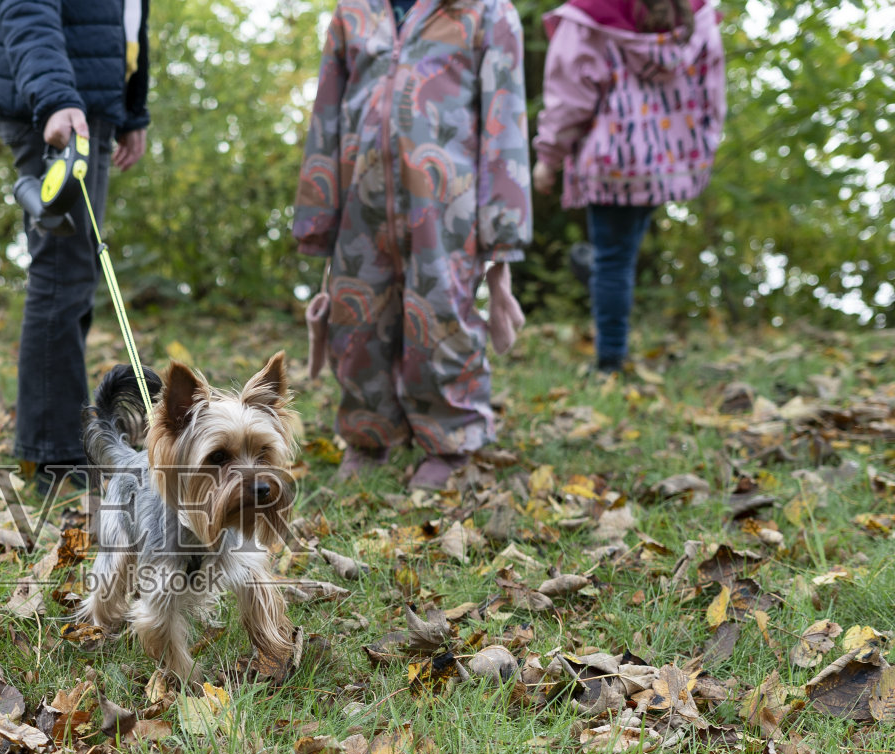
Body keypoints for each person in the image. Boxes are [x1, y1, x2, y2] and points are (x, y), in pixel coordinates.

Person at [294, 0, 532, 490]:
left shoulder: (485, 11)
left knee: (443, 315)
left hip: (449, 204)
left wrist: (502, 227)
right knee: (356, 319)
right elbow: (328, 112)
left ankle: (451, 440)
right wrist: (318, 214)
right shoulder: (353, 12)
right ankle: (368, 434)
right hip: (362, 197)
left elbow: (505, 119)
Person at [0, 0, 151, 494]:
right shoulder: (55, 101)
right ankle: (56, 458)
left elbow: (125, 18)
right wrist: (53, 96)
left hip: (90, 105)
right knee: (62, 276)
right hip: (55, 108)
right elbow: (25, 8)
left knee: (73, 277)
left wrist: (130, 109)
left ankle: (58, 450)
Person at [532, 0, 726, 375]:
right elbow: (712, 88)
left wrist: (548, 156)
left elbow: (568, 97)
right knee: (620, 254)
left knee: (614, 259)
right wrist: (706, 142)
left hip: (613, 160)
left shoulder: (592, 14)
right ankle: (601, 283)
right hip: (669, 157)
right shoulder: (691, 12)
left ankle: (610, 360)